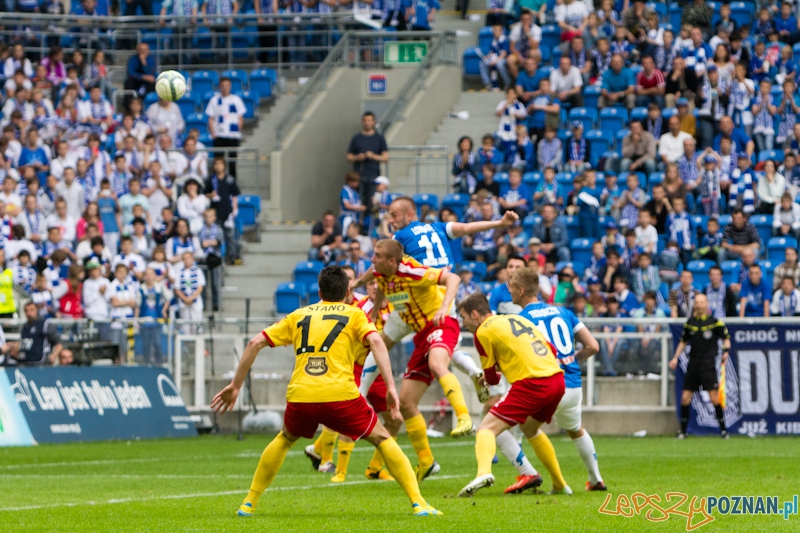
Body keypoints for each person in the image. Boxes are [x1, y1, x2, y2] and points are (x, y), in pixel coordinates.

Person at [211, 266, 441, 518]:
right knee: (383, 438)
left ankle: (249, 503)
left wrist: (235, 385)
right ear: (346, 292)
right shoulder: (354, 314)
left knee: (285, 438)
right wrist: (391, 387)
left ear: (319, 291)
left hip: (302, 395)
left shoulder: (299, 314)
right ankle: (418, 503)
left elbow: (255, 342)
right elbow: (376, 341)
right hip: (340, 395)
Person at [370, 239, 471, 480]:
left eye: (377, 255)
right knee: (405, 402)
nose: (373, 259)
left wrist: (444, 306)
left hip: (441, 323)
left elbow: (453, 278)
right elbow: (381, 285)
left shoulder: (411, 270)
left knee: (438, 364)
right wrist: (374, 312)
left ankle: (464, 417)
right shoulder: (382, 273)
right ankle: (426, 461)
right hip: (420, 334)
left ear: (392, 261)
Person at [456, 292, 569, 497]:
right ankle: (559, 484)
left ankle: (483, 473)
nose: (463, 323)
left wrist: (488, 377)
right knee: (530, 428)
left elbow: (492, 379)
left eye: (463, 317)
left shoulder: (482, 332)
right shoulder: (516, 318)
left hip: (532, 382)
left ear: (474, 314)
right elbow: (550, 349)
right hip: (557, 379)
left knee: (485, 428)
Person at [511, 267, 606, 490]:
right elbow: (593, 346)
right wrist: (571, 360)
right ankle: (595, 479)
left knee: (516, 425)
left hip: (548, 384)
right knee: (576, 430)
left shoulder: (522, 320)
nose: (510, 292)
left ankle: (547, 478)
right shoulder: (563, 311)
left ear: (521, 291)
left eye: (512, 288)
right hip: (573, 384)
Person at [669, 293, 731, 439]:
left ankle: (723, 430)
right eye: (697, 302)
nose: (699, 305)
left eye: (702, 302)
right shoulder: (690, 323)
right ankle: (683, 431)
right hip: (693, 364)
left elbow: (726, 339)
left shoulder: (715, 322)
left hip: (708, 364)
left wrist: (726, 352)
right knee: (685, 398)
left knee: (714, 398)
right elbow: (683, 341)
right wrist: (675, 357)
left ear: (707, 304)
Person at [346, 112, 389, 211]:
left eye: (369, 120)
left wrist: (373, 156)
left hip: (373, 175)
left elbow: (385, 157)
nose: (367, 123)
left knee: (372, 201)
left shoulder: (379, 138)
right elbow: (349, 156)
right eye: (365, 120)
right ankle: (359, 223)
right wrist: (357, 157)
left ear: (374, 122)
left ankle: (370, 223)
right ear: (362, 122)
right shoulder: (356, 138)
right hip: (358, 176)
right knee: (358, 201)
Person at [205, 78, 246, 177]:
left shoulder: (236, 100)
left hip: (232, 135)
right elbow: (211, 118)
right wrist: (213, 133)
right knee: (218, 161)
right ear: (219, 87)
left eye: (227, 85)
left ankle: (232, 183)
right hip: (219, 135)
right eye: (223, 86)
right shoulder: (214, 100)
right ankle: (217, 183)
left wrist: (238, 130)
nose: (225, 88)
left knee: (232, 162)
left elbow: (240, 117)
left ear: (230, 86)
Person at [205, 156, 241, 265]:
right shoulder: (211, 179)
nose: (218, 166)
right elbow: (205, 194)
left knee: (230, 237)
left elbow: (234, 195)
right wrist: (211, 195)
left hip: (228, 213)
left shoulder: (229, 179)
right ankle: (220, 258)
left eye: (220, 164)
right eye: (216, 164)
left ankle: (234, 257)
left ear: (224, 166)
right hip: (216, 214)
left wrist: (234, 209)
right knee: (217, 237)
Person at [2, 301, 62, 365]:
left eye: (32, 310)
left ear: (36, 310)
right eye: (26, 311)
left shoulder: (45, 324)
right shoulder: (24, 327)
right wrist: (14, 346)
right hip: (25, 363)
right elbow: (25, 342)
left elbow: (59, 342)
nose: (29, 313)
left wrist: (54, 355)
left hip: (40, 364)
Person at [136, 267, 170, 366]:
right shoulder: (141, 289)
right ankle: (148, 363)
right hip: (145, 321)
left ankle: (159, 363)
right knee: (146, 345)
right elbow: (138, 306)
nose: (149, 276)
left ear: (155, 275)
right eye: (147, 274)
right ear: (144, 276)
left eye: (151, 274)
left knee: (158, 344)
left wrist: (164, 310)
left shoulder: (160, 287)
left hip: (157, 321)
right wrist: (136, 320)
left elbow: (168, 299)